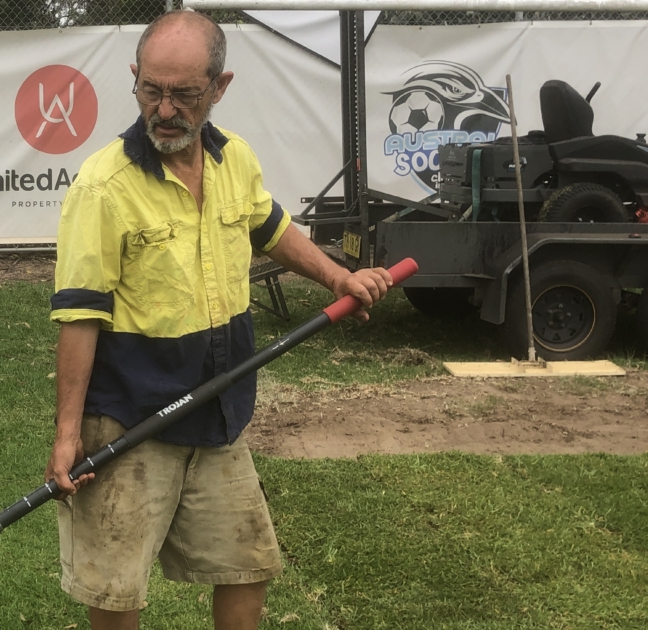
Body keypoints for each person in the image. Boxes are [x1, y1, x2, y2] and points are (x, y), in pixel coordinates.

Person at [46, 10, 394, 630]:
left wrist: (338, 277)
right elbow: (79, 316)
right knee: (116, 589)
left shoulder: (235, 160)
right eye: (151, 90)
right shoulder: (104, 186)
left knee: (247, 565)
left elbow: (272, 229)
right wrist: (68, 434)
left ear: (219, 87)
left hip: (219, 408)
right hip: (131, 417)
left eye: (184, 93)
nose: (165, 109)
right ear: (135, 79)